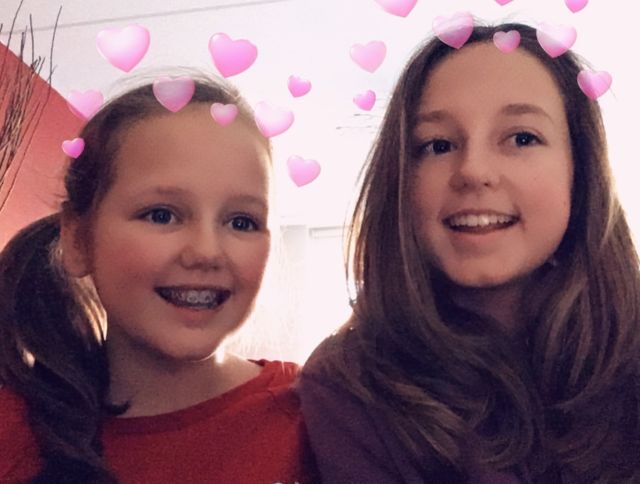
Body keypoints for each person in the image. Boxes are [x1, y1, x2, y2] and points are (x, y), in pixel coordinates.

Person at [298, 22, 640, 483]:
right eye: (438, 145)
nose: (473, 171)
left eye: (521, 138)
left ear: (581, 171)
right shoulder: (350, 384)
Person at [0, 74, 317, 483]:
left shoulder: (319, 417)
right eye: (161, 215)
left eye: (242, 222)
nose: (206, 252)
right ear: (78, 240)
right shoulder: (15, 433)